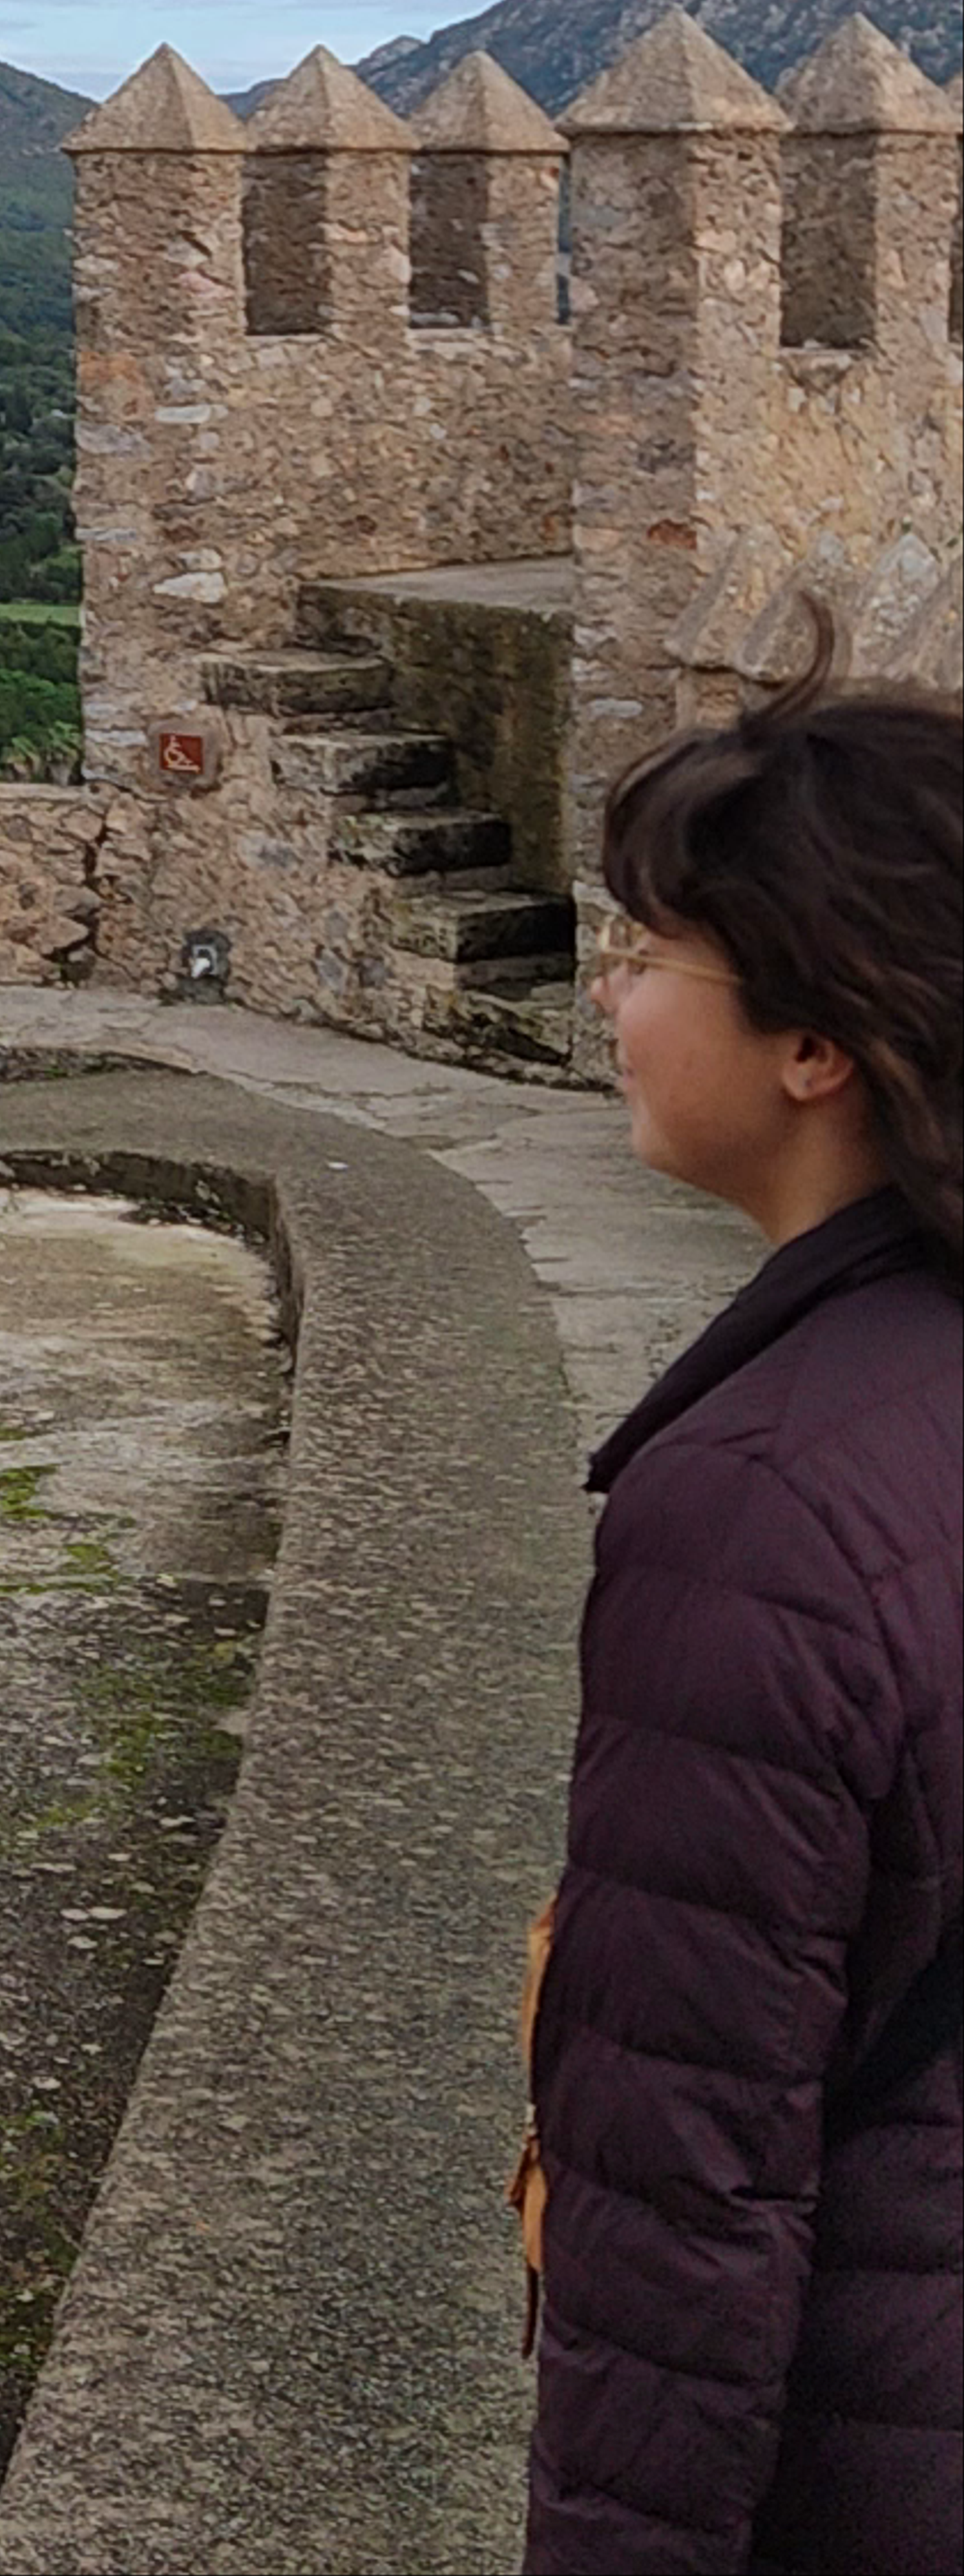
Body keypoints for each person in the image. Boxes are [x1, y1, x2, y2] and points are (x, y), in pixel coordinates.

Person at [521, 639, 961, 2573]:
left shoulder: (759, 1501)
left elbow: (679, 2179)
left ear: (818, 1040)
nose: (611, 999)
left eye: (650, 956)